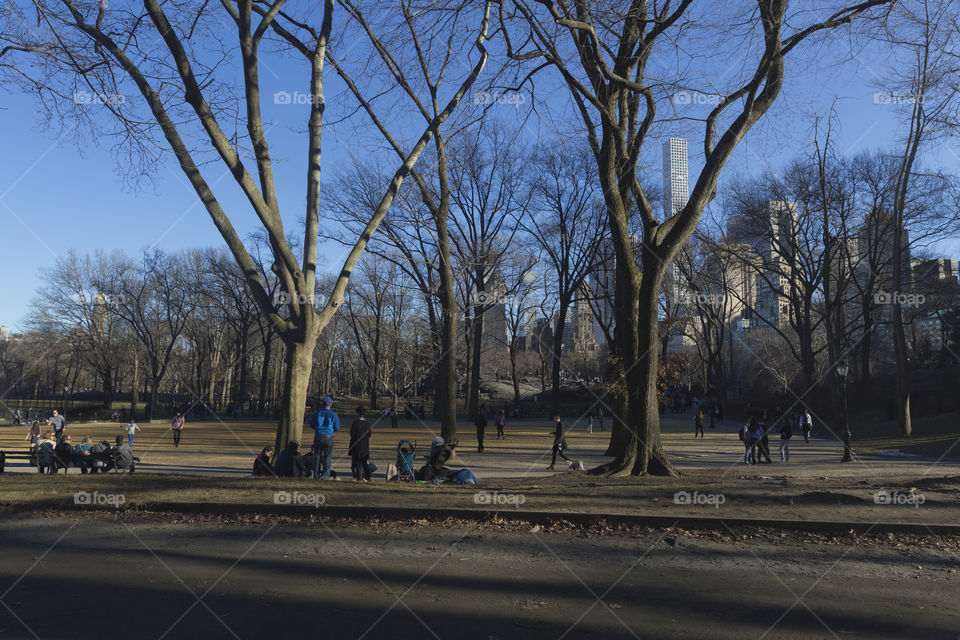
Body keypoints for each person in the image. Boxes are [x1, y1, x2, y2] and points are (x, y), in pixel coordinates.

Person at [308, 397, 340, 479]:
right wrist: (331, 431)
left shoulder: (317, 413)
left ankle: (316, 474)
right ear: (331, 405)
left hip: (319, 435)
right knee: (327, 457)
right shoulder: (333, 414)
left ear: (322, 404)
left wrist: (318, 428)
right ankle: (325, 476)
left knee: (317, 456)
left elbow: (311, 424)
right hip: (329, 436)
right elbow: (337, 426)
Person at [349, 406, 372, 482]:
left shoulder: (355, 423)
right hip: (365, 445)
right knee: (364, 462)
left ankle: (359, 477)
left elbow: (352, 434)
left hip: (357, 445)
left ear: (358, 413)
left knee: (358, 462)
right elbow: (369, 435)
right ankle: (368, 477)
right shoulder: (367, 423)